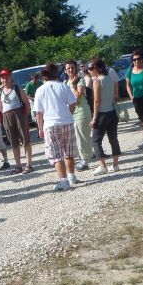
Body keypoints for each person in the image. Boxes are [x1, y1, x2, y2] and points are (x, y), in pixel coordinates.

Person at [34, 63, 79, 192]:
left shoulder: (40, 90)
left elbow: (38, 112)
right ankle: (71, 176)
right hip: (67, 122)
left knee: (56, 154)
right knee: (69, 151)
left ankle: (64, 181)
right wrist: (68, 114)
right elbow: (73, 103)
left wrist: (40, 128)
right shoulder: (63, 86)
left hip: (50, 124)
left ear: (45, 76)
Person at [88, 57, 122, 175]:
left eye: (92, 68)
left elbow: (97, 101)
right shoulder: (109, 79)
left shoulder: (97, 81)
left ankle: (102, 165)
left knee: (95, 140)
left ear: (99, 68)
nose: (90, 70)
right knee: (113, 138)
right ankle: (115, 165)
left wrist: (94, 118)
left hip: (102, 113)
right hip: (112, 112)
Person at [0, 69, 33, 174]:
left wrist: (24, 116)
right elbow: (0, 107)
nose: (5, 79)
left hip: (19, 115)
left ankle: (29, 165)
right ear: (0, 79)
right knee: (14, 143)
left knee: (25, 140)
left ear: (11, 77)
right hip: (7, 116)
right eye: (3, 77)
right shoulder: (0, 91)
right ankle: (18, 165)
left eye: (6, 77)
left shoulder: (17, 88)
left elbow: (26, 103)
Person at [64, 59, 93, 171]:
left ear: (75, 68)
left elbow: (77, 96)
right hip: (72, 114)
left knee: (82, 137)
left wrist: (72, 85)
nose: (70, 70)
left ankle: (85, 161)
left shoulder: (80, 80)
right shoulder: (65, 83)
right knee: (76, 138)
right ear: (65, 71)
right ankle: (83, 157)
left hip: (82, 112)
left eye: (72, 67)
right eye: (68, 68)